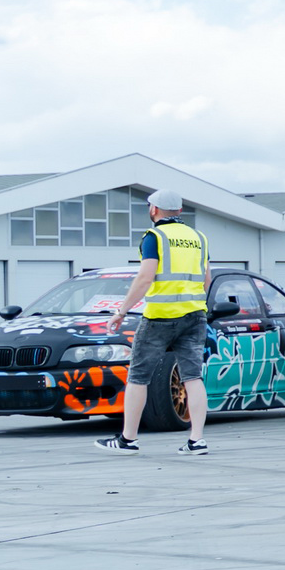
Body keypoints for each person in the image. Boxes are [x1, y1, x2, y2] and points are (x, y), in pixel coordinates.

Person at [96, 190, 213, 454]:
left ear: (154, 210)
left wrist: (121, 311)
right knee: (192, 376)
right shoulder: (199, 238)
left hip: (160, 315)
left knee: (138, 376)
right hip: (194, 314)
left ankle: (128, 439)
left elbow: (145, 277)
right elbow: (207, 279)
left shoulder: (154, 237)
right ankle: (197, 440)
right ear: (179, 211)